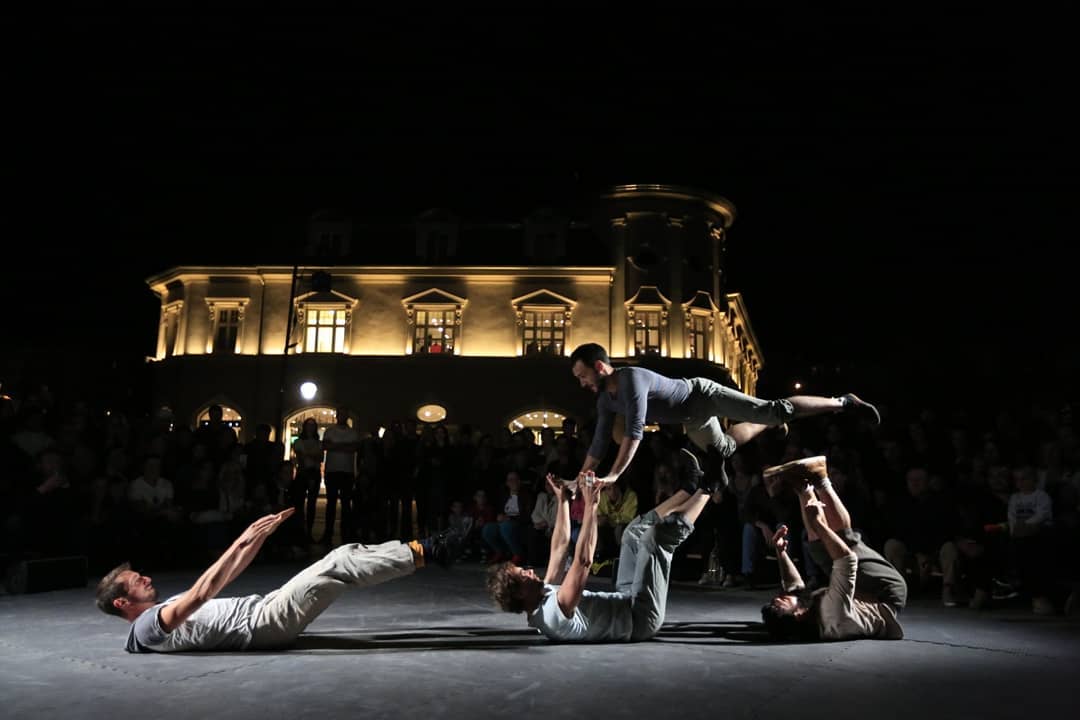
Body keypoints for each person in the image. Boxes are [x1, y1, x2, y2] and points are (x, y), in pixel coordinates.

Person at [95, 508, 463, 653]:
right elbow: (202, 592)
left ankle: (426, 549)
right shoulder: (147, 627)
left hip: (264, 608)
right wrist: (240, 540)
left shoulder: (154, 616)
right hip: (263, 624)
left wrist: (256, 539)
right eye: (136, 581)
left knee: (339, 557)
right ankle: (432, 549)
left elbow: (226, 577)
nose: (145, 578)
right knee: (338, 565)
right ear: (122, 602)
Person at [568, 342, 879, 496]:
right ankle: (765, 425)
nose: (581, 384)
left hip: (703, 395)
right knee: (723, 449)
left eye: (582, 376)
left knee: (774, 409)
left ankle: (843, 402)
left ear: (599, 367)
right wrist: (579, 478)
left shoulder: (631, 379)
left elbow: (635, 431)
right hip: (692, 418)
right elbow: (598, 443)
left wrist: (614, 475)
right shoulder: (605, 400)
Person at [485, 462, 712, 642]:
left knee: (632, 534)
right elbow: (583, 561)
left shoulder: (542, 594)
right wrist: (591, 505)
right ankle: (710, 486)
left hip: (626, 598)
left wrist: (562, 500)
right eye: (523, 575)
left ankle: (689, 488)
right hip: (640, 619)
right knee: (654, 540)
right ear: (520, 594)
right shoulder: (553, 613)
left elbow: (560, 546)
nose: (529, 571)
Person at [760, 456, 906, 642]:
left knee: (818, 549)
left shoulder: (808, 618)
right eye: (779, 605)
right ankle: (821, 479)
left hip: (863, 593)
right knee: (845, 542)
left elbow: (794, 587)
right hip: (886, 591)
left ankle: (802, 485)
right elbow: (847, 559)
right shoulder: (833, 614)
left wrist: (781, 552)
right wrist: (818, 523)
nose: (777, 598)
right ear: (798, 615)